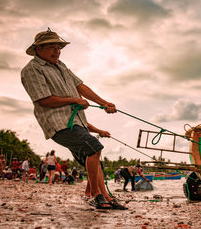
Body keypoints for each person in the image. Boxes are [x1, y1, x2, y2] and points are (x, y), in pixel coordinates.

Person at [21, 28, 126, 210]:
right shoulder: (32, 69)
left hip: (77, 122)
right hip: (57, 124)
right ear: (38, 49)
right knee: (94, 147)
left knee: (94, 156)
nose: (57, 51)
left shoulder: (61, 66)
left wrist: (104, 103)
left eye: (58, 47)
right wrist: (74, 100)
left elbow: (80, 86)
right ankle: (95, 195)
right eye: (51, 47)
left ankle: (106, 197)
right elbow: (43, 100)